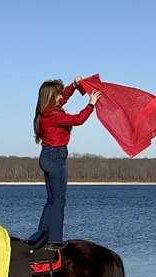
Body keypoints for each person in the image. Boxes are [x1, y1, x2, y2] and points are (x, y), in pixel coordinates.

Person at [27, 77, 102, 250]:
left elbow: (65, 97)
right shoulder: (54, 116)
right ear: (53, 97)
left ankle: (42, 234)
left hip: (47, 156)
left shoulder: (45, 111)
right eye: (59, 94)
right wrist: (91, 104)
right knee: (59, 200)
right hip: (55, 158)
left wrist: (74, 86)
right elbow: (78, 119)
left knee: (51, 200)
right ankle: (54, 241)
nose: (63, 96)